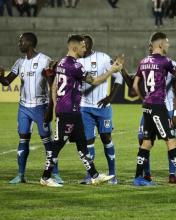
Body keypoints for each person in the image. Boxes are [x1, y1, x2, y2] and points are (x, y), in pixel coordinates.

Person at [40, 34, 124, 187]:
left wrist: (55, 105)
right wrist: (112, 70)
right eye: (82, 47)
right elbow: (96, 81)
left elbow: (53, 87)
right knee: (57, 145)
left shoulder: (61, 63)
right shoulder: (74, 65)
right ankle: (45, 177)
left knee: (82, 144)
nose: (85, 49)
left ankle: (94, 175)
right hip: (67, 112)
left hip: (73, 111)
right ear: (74, 48)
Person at [132, 32, 176, 186]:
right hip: (158, 106)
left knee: (146, 143)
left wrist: (143, 99)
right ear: (160, 45)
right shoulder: (165, 61)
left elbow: (134, 85)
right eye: (167, 43)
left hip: (147, 107)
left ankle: (138, 177)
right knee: (171, 140)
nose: (168, 45)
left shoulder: (143, 61)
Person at [0, 32, 63, 184]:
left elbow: (52, 84)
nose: (19, 44)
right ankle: (20, 175)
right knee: (23, 139)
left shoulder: (44, 60)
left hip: (40, 107)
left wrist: (51, 107)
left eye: (21, 41)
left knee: (47, 141)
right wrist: (0, 76)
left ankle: (55, 173)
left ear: (29, 43)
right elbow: (7, 82)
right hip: (23, 107)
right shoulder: (19, 62)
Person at [122, 44, 176, 184]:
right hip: (152, 108)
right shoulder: (146, 63)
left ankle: (173, 174)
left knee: (170, 140)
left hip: (166, 109)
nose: (150, 48)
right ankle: (146, 174)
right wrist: (122, 70)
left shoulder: (170, 63)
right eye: (149, 46)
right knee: (144, 139)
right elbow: (132, 84)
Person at [77, 35, 122, 185]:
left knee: (106, 139)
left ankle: (113, 174)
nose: (81, 48)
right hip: (84, 108)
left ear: (89, 45)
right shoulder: (76, 61)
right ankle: (91, 175)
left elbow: (119, 77)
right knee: (88, 142)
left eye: (84, 45)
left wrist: (110, 98)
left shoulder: (102, 58)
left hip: (103, 108)